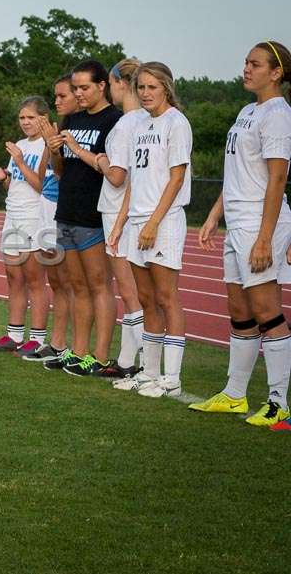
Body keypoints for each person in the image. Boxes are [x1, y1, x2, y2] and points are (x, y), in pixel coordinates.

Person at [192, 41, 291, 427]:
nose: (246, 69)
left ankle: (279, 402)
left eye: (255, 64)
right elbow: (238, 173)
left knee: (268, 312)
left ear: (276, 72)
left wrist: (265, 237)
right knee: (239, 311)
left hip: (258, 223)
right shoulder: (248, 110)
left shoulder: (279, 115)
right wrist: (215, 214)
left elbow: (278, 178)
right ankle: (235, 395)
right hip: (237, 222)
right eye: (246, 62)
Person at [109, 62, 192, 397]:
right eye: (140, 87)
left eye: (152, 87)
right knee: (146, 299)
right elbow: (134, 180)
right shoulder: (140, 123)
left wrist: (154, 222)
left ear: (166, 88)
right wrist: (121, 223)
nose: (145, 93)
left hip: (164, 220)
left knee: (166, 296)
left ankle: (171, 379)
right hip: (138, 221)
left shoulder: (176, 122)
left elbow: (176, 177)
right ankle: (149, 373)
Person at [38, 61, 122, 376]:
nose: (78, 93)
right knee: (76, 285)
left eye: (84, 87)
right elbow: (61, 172)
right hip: (67, 210)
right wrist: (56, 151)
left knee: (99, 285)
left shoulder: (115, 120)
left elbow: (113, 169)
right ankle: (79, 350)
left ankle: (99, 356)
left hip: (94, 213)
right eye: (76, 88)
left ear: (102, 86)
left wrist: (73, 145)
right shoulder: (71, 119)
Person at [0, 96, 52, 355]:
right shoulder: (21, 145)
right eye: (22, 117)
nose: (25, 122)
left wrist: (21, 162)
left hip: (35, 218)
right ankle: (14, 333)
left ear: (43, 118)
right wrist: (3, 177)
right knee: (14, 278)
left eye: (31, 117)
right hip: (13, 215)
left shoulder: (46, 145)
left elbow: (41, 186)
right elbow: (15, 186)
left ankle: (37, 338)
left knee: (35, 279)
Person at [94, 59, 147, 378]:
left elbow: (117, 176)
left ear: (119, 84)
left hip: (119, 211)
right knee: (135, 293)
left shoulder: (127, 124)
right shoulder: (143, 121)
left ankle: (140, 363)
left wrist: (100, 160)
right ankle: (128, 359)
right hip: (130, 210)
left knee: (130, 293)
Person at [21, 77, 75, 363]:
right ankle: (57, 343)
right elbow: (47, 174)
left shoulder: (77, 129)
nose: (57, 101)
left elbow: (66, 172)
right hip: (47, 205)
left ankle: (72, 346)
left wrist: (54, 146)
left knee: (70, 281)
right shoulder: (59, 129)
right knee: (55, 279)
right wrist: (48, 146)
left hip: (64, 208)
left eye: (62, 95)